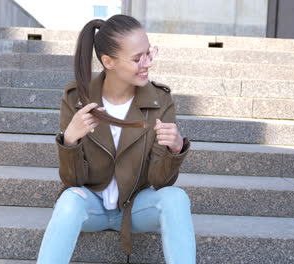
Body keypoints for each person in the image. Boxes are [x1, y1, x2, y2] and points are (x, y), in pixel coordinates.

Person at [36, 14, 195, 264]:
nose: (147, 63)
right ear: (108, 61)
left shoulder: (159, 101)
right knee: (68, 200)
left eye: (149, 53)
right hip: (92, 207)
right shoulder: (76, 99)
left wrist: (174, 150)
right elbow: (73, 181)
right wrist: (70, 141)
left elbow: (159, 180)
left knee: (176, 198)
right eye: (136, 58)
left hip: (136, 209)